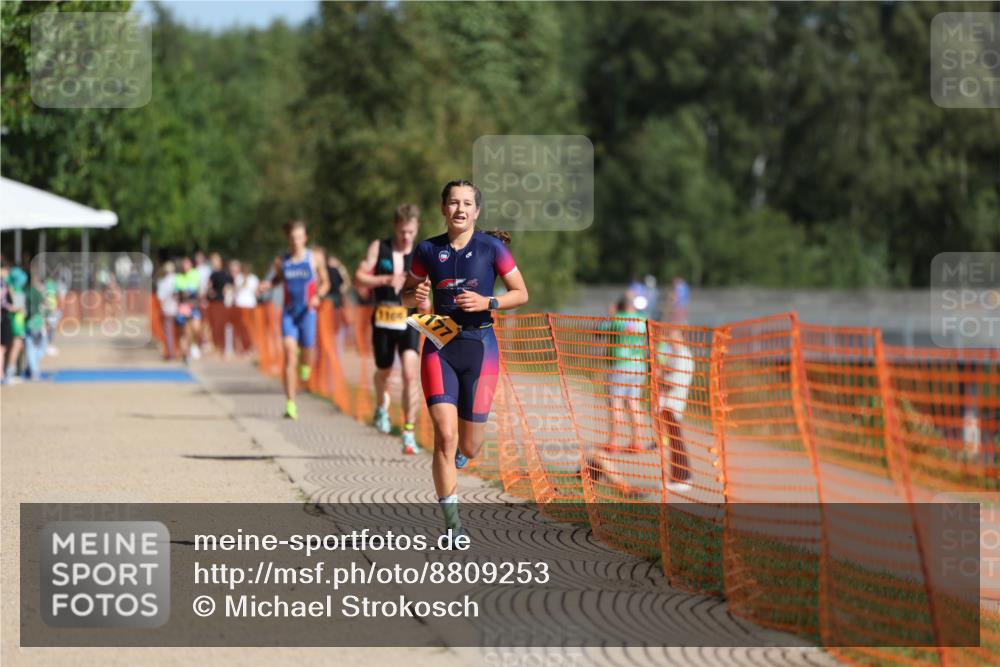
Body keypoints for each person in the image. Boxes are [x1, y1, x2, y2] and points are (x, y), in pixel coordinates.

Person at [401, 180, 529, 537]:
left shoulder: (491, 248)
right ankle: (453, 525)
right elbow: (405, 296)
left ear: (476, 211)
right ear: (443, 208)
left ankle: (463, 450)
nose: (460, 209)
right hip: (439, 346)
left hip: (480, 348)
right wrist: (416, 295)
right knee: (444, 435)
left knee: (469, 447)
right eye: (454, 202)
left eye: (467, 203)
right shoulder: (427, 249)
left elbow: (521, 293)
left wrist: (489, 302)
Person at [354, 204, 423, 454]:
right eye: (403, 231)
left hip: (408, 320)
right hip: (383, 318)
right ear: (395, 227)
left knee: (409, 374)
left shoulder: (420, 252)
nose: (406, 237)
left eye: (411, 232)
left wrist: (426, 303)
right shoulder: (379, 247)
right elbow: (359, 277)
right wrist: (385, 279)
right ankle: (382, 407)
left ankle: (408, 432)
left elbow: (428, 284)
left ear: (417, 229)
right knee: (383, 371)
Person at [261, 220, 330, 419]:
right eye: (293, 238)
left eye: (299, 237)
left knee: (307, 351)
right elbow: (278, 279)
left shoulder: (314, 258)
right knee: (289, 353)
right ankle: (290, 403)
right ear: (288, 239)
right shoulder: (281, 260)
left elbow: (325, 282)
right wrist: (268, 284)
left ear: (305, 238)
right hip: (289, 313)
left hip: (308, 312)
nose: (296, 241)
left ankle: (305, 364)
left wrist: (318, 296)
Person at [604, 295, 649, 452]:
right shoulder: (642, 321)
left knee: (615, 402)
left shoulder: (615, 319)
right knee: (633, 402)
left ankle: (613, 441)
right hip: (638, 365)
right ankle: (637, 441)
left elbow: (598, 330)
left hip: (619, 364)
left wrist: (611, 314)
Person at [655, 328, 695, 493]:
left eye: (674, 334)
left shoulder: (683, 355)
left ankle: (683, 477)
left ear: (680, 337)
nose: (670, 336)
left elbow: (676, 380)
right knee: (673, 440)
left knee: (676, 440)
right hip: (668, 403)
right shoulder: (674, 354)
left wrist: (660, 378)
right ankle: (677, 477)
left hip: (674, 403)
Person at [174, 256, 203, 362]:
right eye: (183, 264)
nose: (185, 266)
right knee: (185, 332)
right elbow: (179, 292)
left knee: (196, 328)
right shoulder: (178, 277)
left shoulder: (195, 274)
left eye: (187, 263)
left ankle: (194, 345)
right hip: (183, 307)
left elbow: (196, 289)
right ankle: (186, 354)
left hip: (193, 306)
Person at [324, 250, 352, 359]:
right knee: (335, 331)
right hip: (335, 305)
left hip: (330, 305)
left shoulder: (325, 270)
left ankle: (332, 352)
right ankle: (335, 353)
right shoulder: (335, 270)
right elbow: (345, 283)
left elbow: (345, 284)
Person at [156, 261, 178, 360]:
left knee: (168, 331)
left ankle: (171, 352)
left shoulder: (163, 281)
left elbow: (160, 296)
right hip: (178, 308)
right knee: (178, 331)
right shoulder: (176, 278)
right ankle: (177, 351)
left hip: (168, 308)